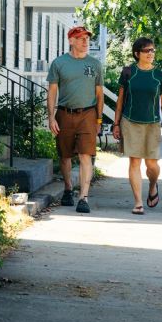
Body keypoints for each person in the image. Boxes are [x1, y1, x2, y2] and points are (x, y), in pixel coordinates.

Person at [47, 25, 104, 213]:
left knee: (86, 155)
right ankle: (68, 188)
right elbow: (52, 91)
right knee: (64, 156)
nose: (85, 41)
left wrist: (99, 120)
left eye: (87, 38)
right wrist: (51, 117)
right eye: (80, 38)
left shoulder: (95, 64)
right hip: (64, 114)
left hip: (88, 114)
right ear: (71, 41)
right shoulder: (59, 63)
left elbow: (99, 94)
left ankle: (84, 197)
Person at [112, 37, 162, 215]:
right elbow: (120, 101)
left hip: (152, 124)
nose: (151, 53)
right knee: (134, 161)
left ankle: (153, 186)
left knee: (152, 164)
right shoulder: (128, 72)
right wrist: (116, 124)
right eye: (147, 51)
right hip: (130, 122)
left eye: (153, 50)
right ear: (137, 53)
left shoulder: (160, 75)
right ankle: (138, 202)